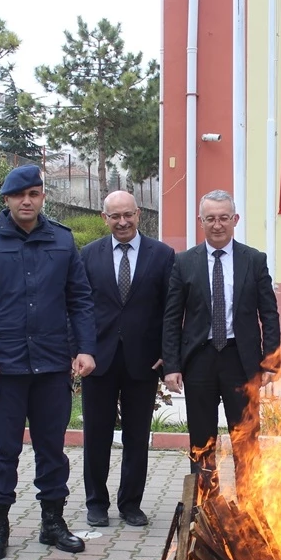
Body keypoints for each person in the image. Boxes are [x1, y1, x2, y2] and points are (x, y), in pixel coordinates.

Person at [0, 165, 97, 560]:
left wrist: (85, 348)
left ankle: (53, 523)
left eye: (34, 194)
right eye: (19, 195)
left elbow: (80, 299)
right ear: (6, 199)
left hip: (52, 364)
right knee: (3, 450)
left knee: (52, 449)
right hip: (4, 366)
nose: (27, 201)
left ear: (42, 197)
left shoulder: (62, 239)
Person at [163, 189, 281, 495]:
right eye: (211, 218)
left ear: (235, 219)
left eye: (224, 218)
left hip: (240, 361)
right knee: (201, 440)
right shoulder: (184, 262)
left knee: (246, 439)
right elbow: (172, 318)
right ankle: (205, 503)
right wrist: (172, 366)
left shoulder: (254, 260)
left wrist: (271, 362)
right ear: (201, 221)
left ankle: (249, 504)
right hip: (199, 361)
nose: (218, 225)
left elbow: (269, 314)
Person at [79, 190, 175, 529]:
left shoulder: (162, 255)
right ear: (104, 218)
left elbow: (170, 309)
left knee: (137, 436)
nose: (122, 222)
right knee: (96, 435)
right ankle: (96, 503)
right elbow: (79, 306)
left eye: (128, 215)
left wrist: (166, 354)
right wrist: (80, 349)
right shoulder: (88, 255)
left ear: (138, 214)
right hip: (98, 359)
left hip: (143, 361)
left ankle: (131, 503)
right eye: (115, 216)